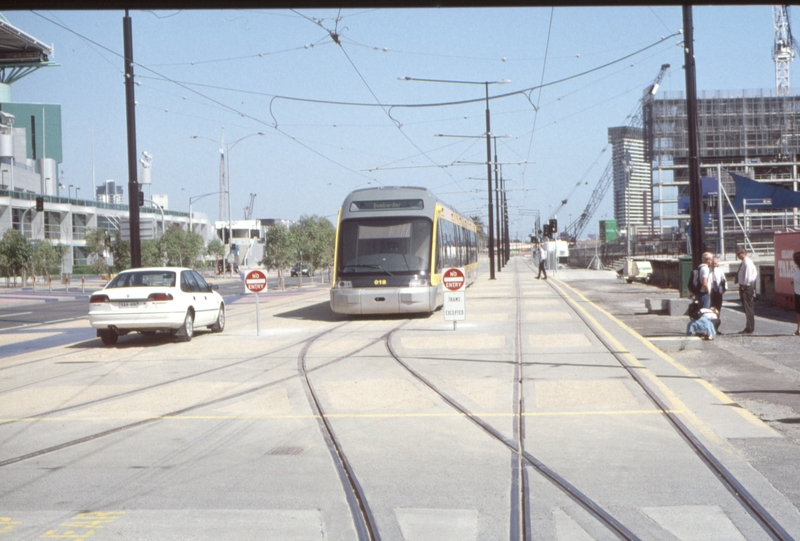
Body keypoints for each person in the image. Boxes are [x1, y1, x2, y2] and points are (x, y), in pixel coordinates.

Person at [736, 246, 758, 334]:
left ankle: (750, 328)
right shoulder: (744, 262)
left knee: (748, 307)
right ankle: (748, 326)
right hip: (745, 286)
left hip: (747, 287)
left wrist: (744, 285)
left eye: (738, 254)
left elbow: (748, 276)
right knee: (746, 307)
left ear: (743, 253)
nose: (737, 256)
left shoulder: (747, 262)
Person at [710, 256, 727, 327]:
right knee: (710, 309)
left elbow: (724, 281)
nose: (714, 265)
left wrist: (724, 290)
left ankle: (716, 327)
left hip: (718, 293)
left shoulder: (720, 271)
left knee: (717, 309)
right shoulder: (707, 270)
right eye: (713, 263)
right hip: (711, 292)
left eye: (716, 263)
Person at [793, 251, 800, 336]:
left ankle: (799, 329)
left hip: (798, 293)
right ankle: (798, 330)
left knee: (799, 312)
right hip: (797, 292)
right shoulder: (797, 269)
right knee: (798, 312)